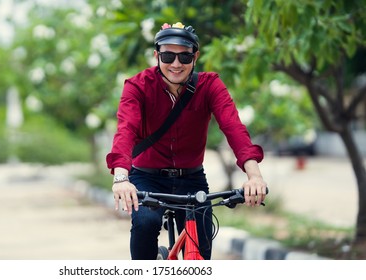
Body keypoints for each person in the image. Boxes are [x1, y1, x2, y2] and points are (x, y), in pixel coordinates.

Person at [106, 22, 267, 260]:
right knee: (146, 224)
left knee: (202, 245)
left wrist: (254, 176)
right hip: (146, 178)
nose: (176, 64)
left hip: (191, 179)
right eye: (168, 56)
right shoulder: (137, 86)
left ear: (196, 57)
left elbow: (233, 127)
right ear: (156, 55)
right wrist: (121, 178)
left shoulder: (210, 85)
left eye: (184, 57)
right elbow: (126, 130)